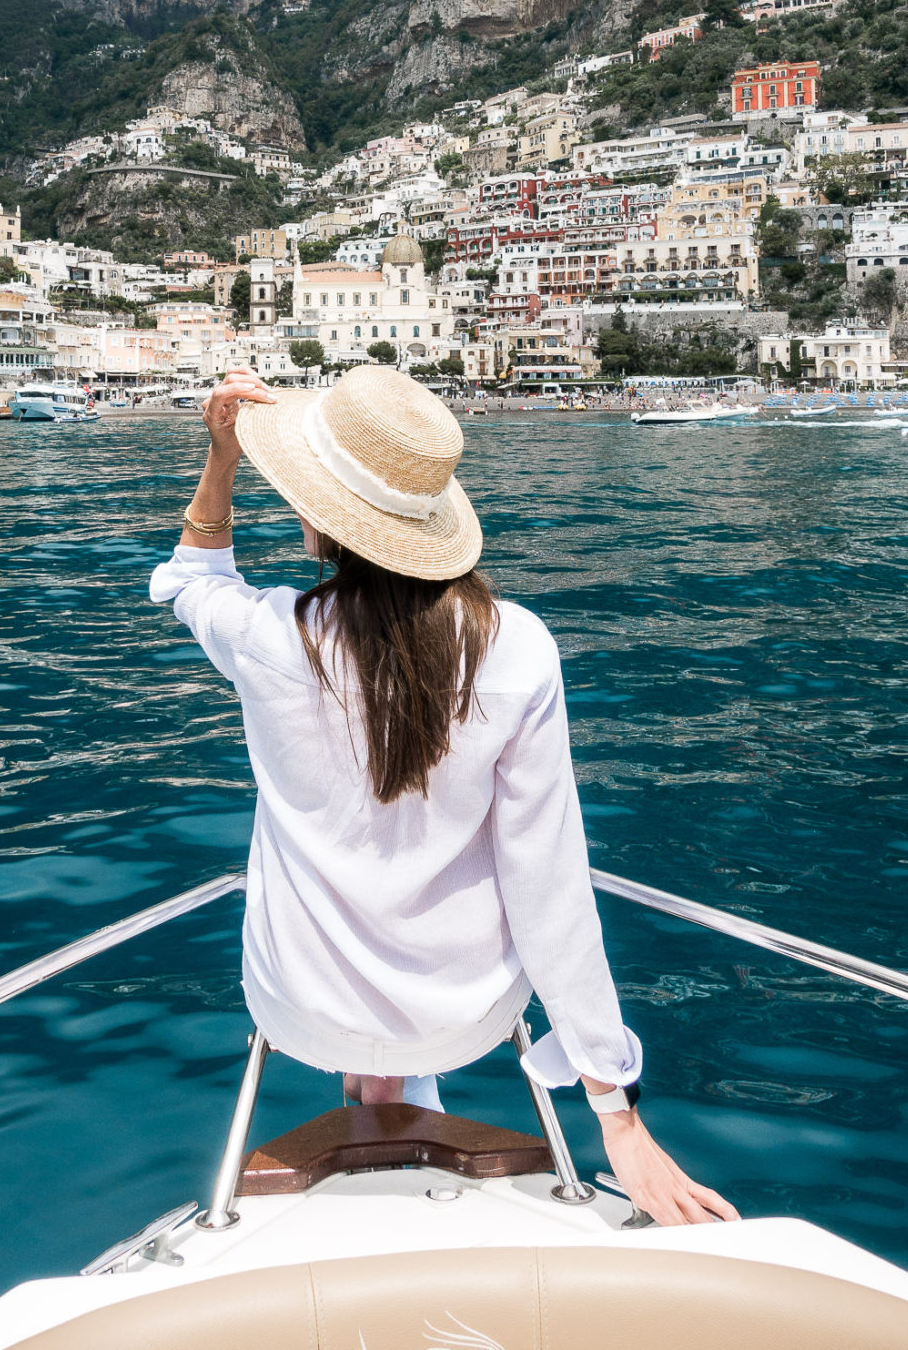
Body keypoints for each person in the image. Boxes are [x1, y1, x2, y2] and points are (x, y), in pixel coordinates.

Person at [149, 362, 736, 1227]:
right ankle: (394, 1080)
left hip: (299, 1008)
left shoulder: (269, 636)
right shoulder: (518, 648)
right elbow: (550, 887)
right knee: (481, 944)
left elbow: (190, 577)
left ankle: (374, 1086)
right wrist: (618, 1113)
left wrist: (223, 457)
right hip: (464, 1019)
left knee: (352, 1016)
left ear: (320, 514)